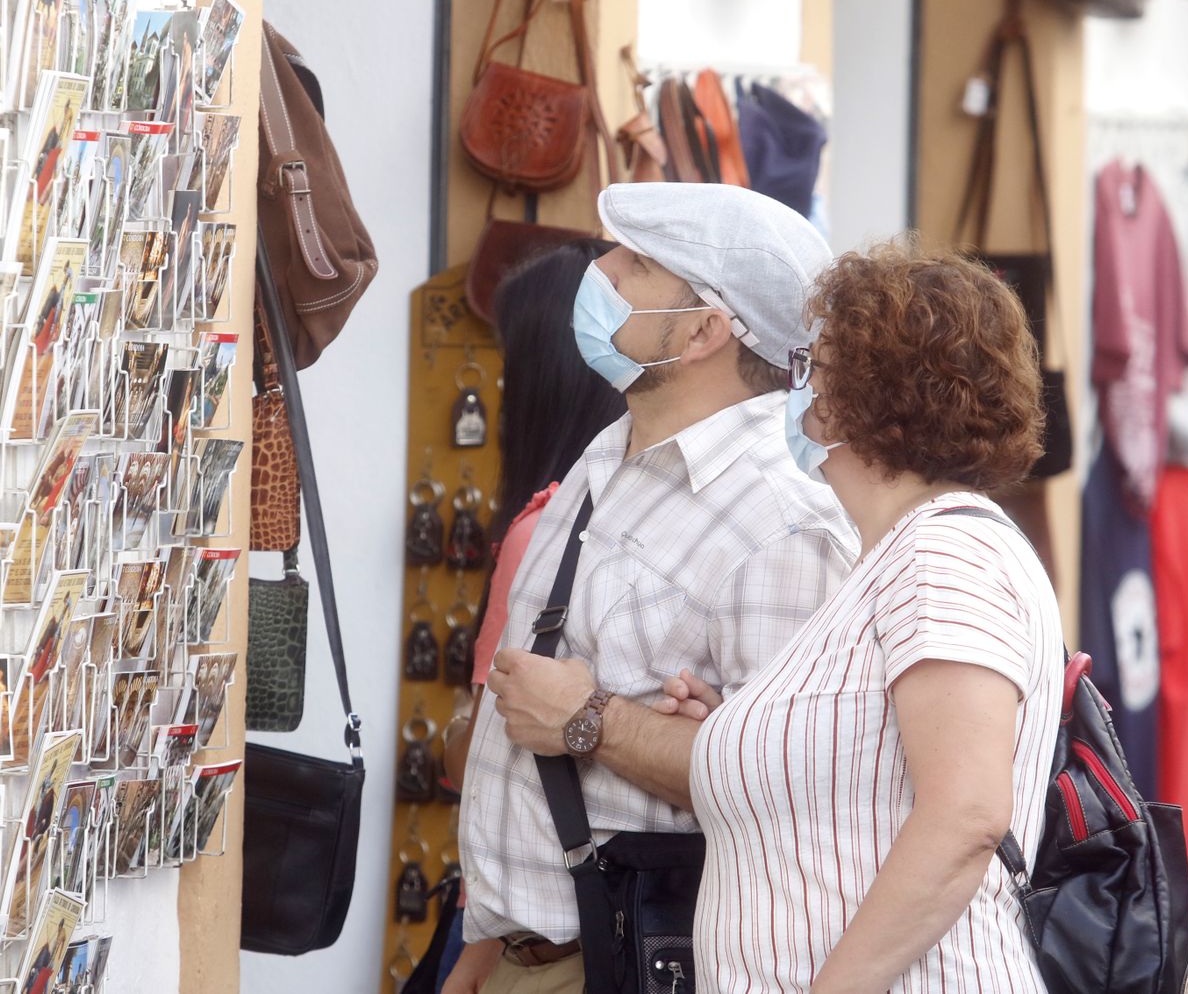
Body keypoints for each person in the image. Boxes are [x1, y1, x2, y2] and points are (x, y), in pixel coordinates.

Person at [458, 182, 857, 993]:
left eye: (635, 263)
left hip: (630, 964)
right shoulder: (614, 449)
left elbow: (791, 790)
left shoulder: (781, 524)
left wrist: (589, 721)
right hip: (523, 954)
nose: (598, 271)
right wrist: (484, 950)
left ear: (708, 329)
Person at [660, 239, 1063, 991]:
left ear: (872, 392)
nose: (798, 386)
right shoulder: (893, 557)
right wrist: (741, 735)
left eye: (815, 364)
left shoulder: (942, 552)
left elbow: (967, 812)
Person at [437, 240, 627, 992]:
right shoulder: (635, 520)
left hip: (529, 940)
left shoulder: (544, 530)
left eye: (513, 357)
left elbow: (488, 765)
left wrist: (456, 735)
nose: (504, 379)